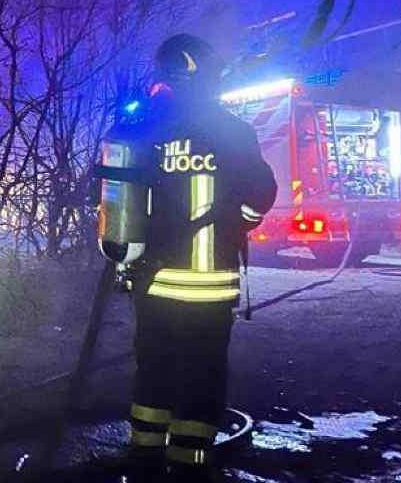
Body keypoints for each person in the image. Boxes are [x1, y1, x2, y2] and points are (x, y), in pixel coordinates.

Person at [107, 34, 277, 481]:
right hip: (211, 285)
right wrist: (236, 222)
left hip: (152, 281)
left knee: (154, 371)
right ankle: (190, 466)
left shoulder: (141, 128)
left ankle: (144, 460)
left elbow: (113, 197)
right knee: (202, 373)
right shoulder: (233, 130)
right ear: (208, 74)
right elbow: (262, 194)